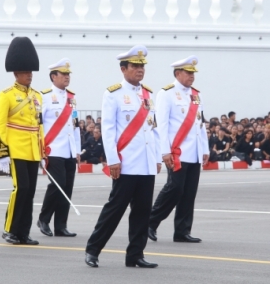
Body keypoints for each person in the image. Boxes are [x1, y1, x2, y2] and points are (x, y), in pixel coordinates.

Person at [85, 45, 161, 268]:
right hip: (126, 163)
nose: (140, 70)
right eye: (135, 66)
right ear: (123, 68)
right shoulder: (113, 94)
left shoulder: (148, 93)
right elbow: (108, 130)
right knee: (115, 209)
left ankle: (135, 254)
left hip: (146, 163)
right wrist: (113, 160)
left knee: (142, 212)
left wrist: (156, 157)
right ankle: (93, 249)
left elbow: (153, 128)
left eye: (142, 66)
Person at [148, 55, 209, 244]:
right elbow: (162, 125)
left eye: (193, 73)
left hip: (194, 152)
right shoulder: (166, 93)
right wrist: (164, 151)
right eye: (188, 73)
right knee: (174, 188)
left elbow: (200, 123)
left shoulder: (195, 95)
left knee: (189, 192)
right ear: (177, 73)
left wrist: (205, 148)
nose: (192, 76)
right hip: (177, 152)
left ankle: (182, 231)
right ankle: (150, 221)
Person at [0, 37, 44, 245]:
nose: (29, 75)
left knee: (30, 192)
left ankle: (23, 232)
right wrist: (1, 154)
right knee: (20, 188)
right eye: (25, 72)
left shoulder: (37, 96)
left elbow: (39, 125)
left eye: (30, 72)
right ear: (16, 74)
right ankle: (9, 230)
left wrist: (42, 152)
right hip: (14, 149)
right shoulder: (6, 95)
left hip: (32, 149)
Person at [37, 58, 80, 238]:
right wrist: (40, 149)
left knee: (67, 187)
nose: (67, 77)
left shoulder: (71, 97)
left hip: (69, 149)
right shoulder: (44, 96)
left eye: (68, 74)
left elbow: (75, 125)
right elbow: (38, 124)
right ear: (53, 76)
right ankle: (43, 219)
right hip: (53, 149)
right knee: (58, 184)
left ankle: (61, 225)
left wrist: (77, 149)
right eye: (63, 74)